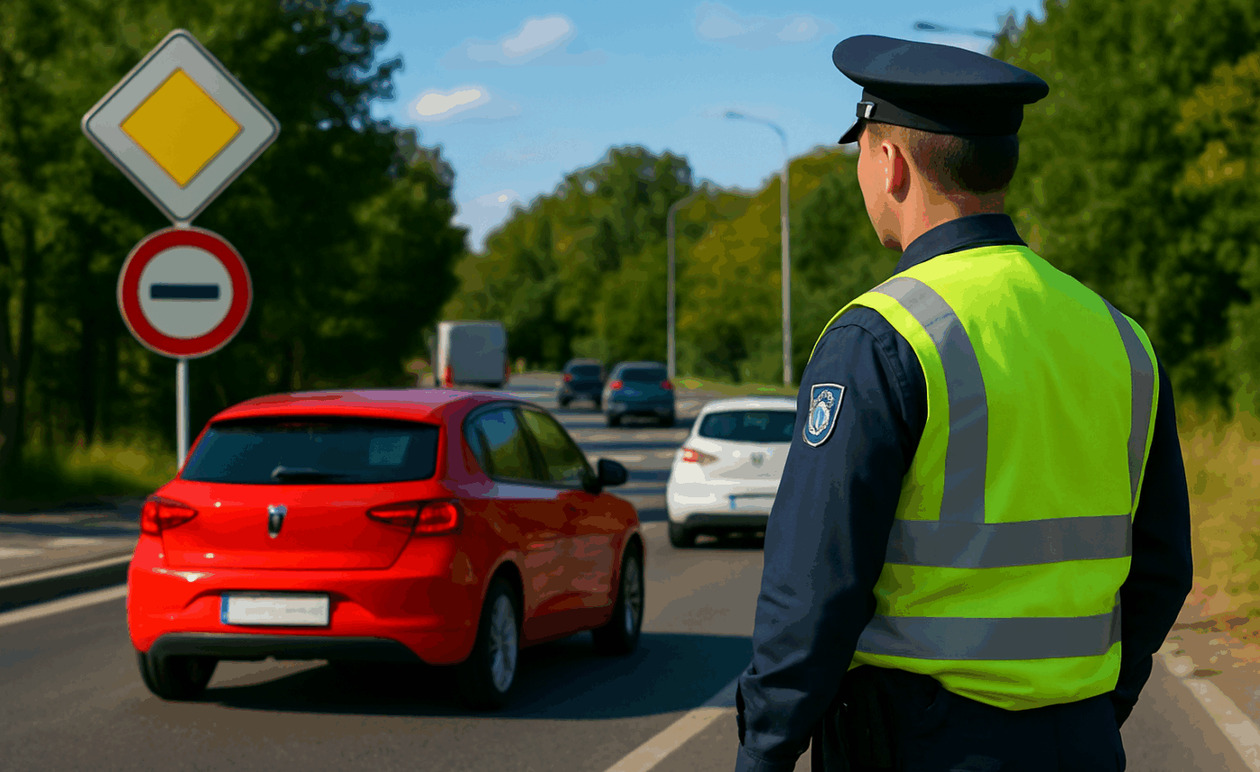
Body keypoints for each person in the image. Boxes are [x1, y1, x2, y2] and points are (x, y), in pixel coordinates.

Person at [733, 34, 1193, 772]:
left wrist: (764, 751)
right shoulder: (1122, 337)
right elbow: (1164, 567)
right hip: (1081, 743)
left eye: (859, 150)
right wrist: (1096, 707)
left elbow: (816, 588)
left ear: (890, 162)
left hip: (918, 745)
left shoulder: (883, 334)